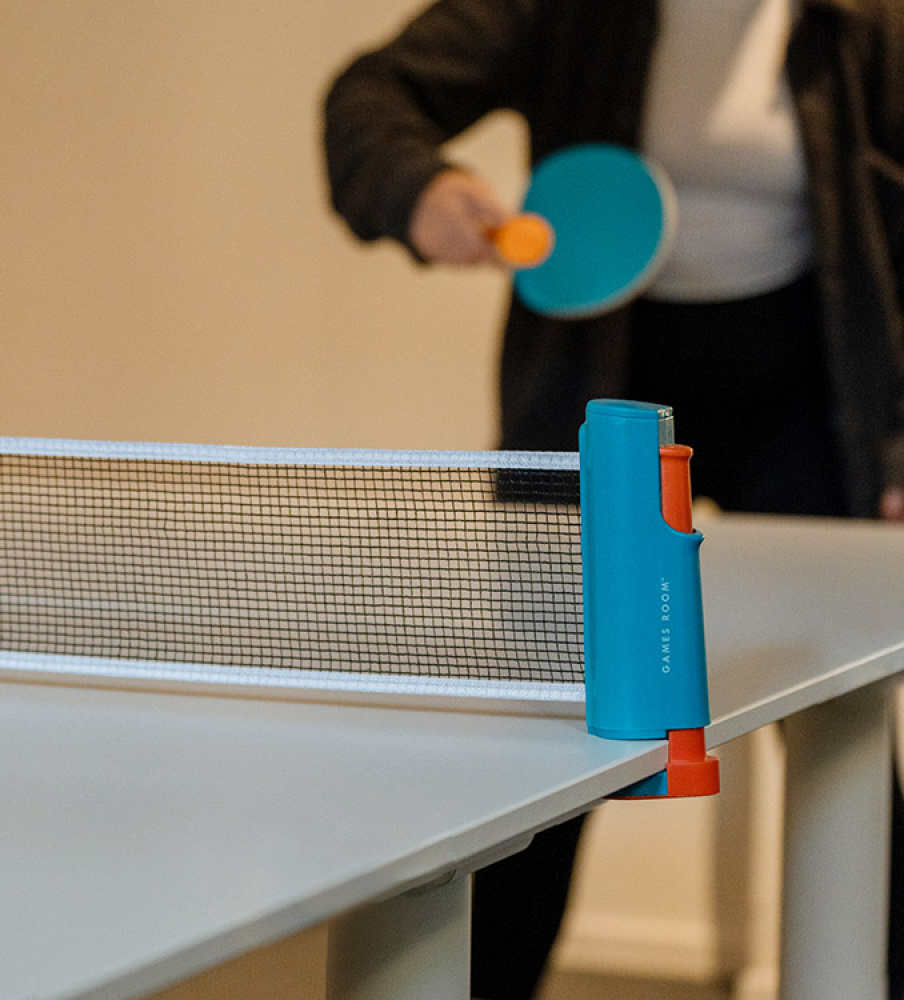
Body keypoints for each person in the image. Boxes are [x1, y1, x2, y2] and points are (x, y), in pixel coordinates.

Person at [323, 1, 904, 997]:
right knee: (551, 743)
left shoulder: (867, 21)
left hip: (810, 401)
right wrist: (417, 185)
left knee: (841, 727)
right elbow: (371, 94)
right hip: (602, 401)